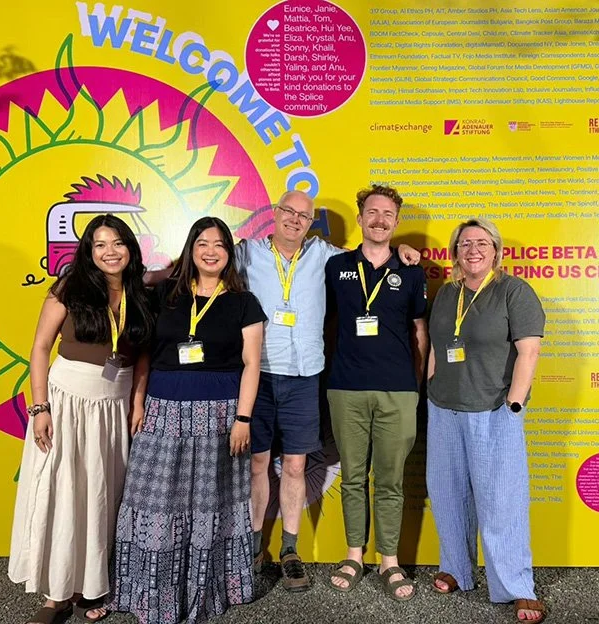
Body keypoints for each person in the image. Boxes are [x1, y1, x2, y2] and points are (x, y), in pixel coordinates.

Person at [235, 190, 421, 592]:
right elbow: (204, 261)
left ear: (310, 223)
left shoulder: (327, 257)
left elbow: (371, 253)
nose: (294, 220)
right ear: (275, 213)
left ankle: (289, 550)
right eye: (288, 211)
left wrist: (403, 251)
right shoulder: (246, 253)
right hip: (258, 374)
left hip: (305, 375)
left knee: (297, 466)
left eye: (303, 216)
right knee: (257, 465)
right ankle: (252, 549)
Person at [109, 217, 266, 624]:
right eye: (202, 243)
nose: (211, 251)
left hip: (220, 415)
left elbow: (251, 364)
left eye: (219, 244)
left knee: (210, 504)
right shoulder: (164, 294)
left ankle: (206, 592)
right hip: (163, 409)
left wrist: (243, 418)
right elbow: (146, 351)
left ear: (229, 253)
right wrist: (138, 401)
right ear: (191, 249)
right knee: (155, 501)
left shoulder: (244, 302)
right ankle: (149, 594)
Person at [9, 214, 153, 624]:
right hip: (67, 402)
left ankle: (90, 585)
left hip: (114, 408)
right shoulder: (69, 288)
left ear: (130, 248)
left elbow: (143, 354)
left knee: (101, 498)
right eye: (100, 244)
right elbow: (40, 347)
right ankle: (55, 597)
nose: (111, 252)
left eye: (118, 243)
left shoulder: (141, 293)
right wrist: (40, 408)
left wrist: (137, 401)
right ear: (89, 251)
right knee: (64, 496)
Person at [425, 218, 546, 623]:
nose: (473, 250)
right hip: (444, 409)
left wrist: (514, 405)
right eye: (464, 244)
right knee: (447, 494)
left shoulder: (514, 291)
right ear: (455, 252)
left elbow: (529, 352)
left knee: (501, 502)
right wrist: (430, 388)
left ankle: (516, 586)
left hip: (494, 410)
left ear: (496, 250)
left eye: (481, 243)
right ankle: (456, 569)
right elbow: (437, 347)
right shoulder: (448, 293)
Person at [324, 184, 428, 601]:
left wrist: (415, 387)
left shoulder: (412, 270)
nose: (379, 220)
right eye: (372, 212)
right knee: (352, 478)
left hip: (397, 391)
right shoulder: (337, 266)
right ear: (360, 218)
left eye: (387, 214)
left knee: (390, 480)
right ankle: (354, 555)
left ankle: (389, 560)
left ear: (397, 222)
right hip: (346, 387)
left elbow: (419, 331)